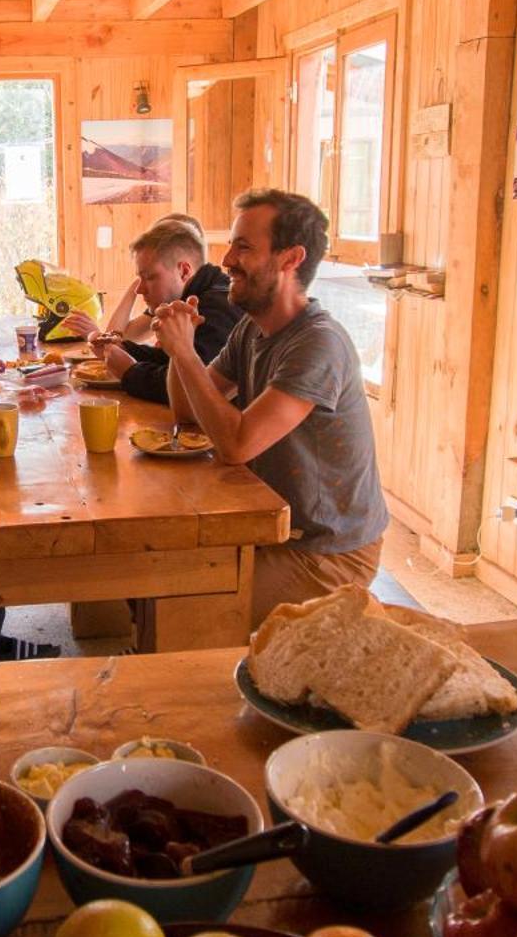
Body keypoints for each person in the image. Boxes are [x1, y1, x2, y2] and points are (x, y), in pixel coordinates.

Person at [156, 188, 389, 621]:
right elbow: (187, 414)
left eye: (243, 246)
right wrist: (178, 348)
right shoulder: (252, 330)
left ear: (291, 258)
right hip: (269, 528)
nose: (227, 260)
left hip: (328, 552)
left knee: (186, 611)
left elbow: (237, 445)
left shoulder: (318, 343)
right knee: (157, 570)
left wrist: (186, 355)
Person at [94, 215, 238, 404]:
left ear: (184, 271)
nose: (139, 289)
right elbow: (171, 361)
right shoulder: (193, 296)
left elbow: (192, 390)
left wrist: (130, 372)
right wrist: (124, 348)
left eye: (150, 277)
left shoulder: (219, 309)